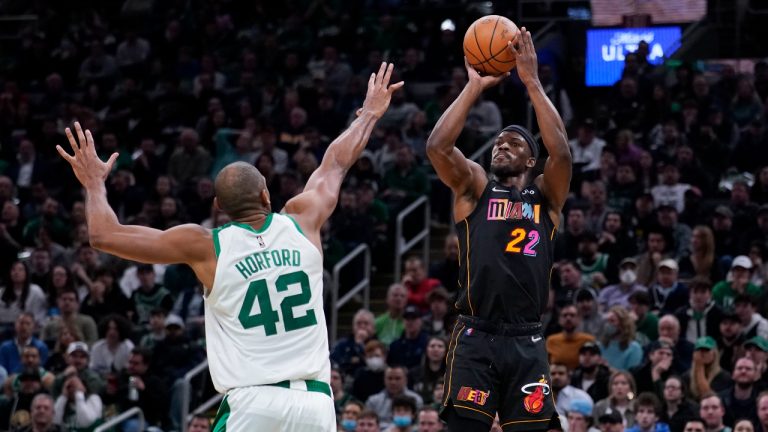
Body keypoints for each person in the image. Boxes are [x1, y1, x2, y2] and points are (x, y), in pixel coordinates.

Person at [55, 63, 405, 431]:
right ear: (266, 194)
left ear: (218, 208)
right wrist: (369, 114)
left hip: (253, 402)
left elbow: (104, 235)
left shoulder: (206, 245)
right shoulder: (304, 221)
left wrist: (94, 184)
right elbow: (335, 163)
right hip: (315, 405)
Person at [426, 28, 570, 431]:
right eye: (498, 142)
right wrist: (472, 88)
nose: (501, 146)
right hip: (475, 333)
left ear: (530, 162)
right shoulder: (474, 188)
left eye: (514, 143)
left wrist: (532, 82)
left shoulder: (546, 197)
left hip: (527, 338)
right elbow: (437, 147)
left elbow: (560, 150)